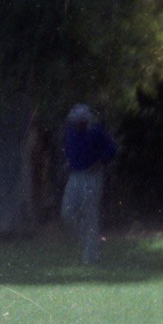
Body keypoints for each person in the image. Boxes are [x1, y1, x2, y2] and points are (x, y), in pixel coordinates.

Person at [61, 103, 118, 263]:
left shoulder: (97, 131)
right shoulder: (71, 132)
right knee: (67, 211)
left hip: (92, 176)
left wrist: (101, 160)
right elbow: (69, 150)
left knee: (90, 214)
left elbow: (112, 149)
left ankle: (90, 257)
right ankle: (86, 238)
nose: (79, 124)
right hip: (75, 175)